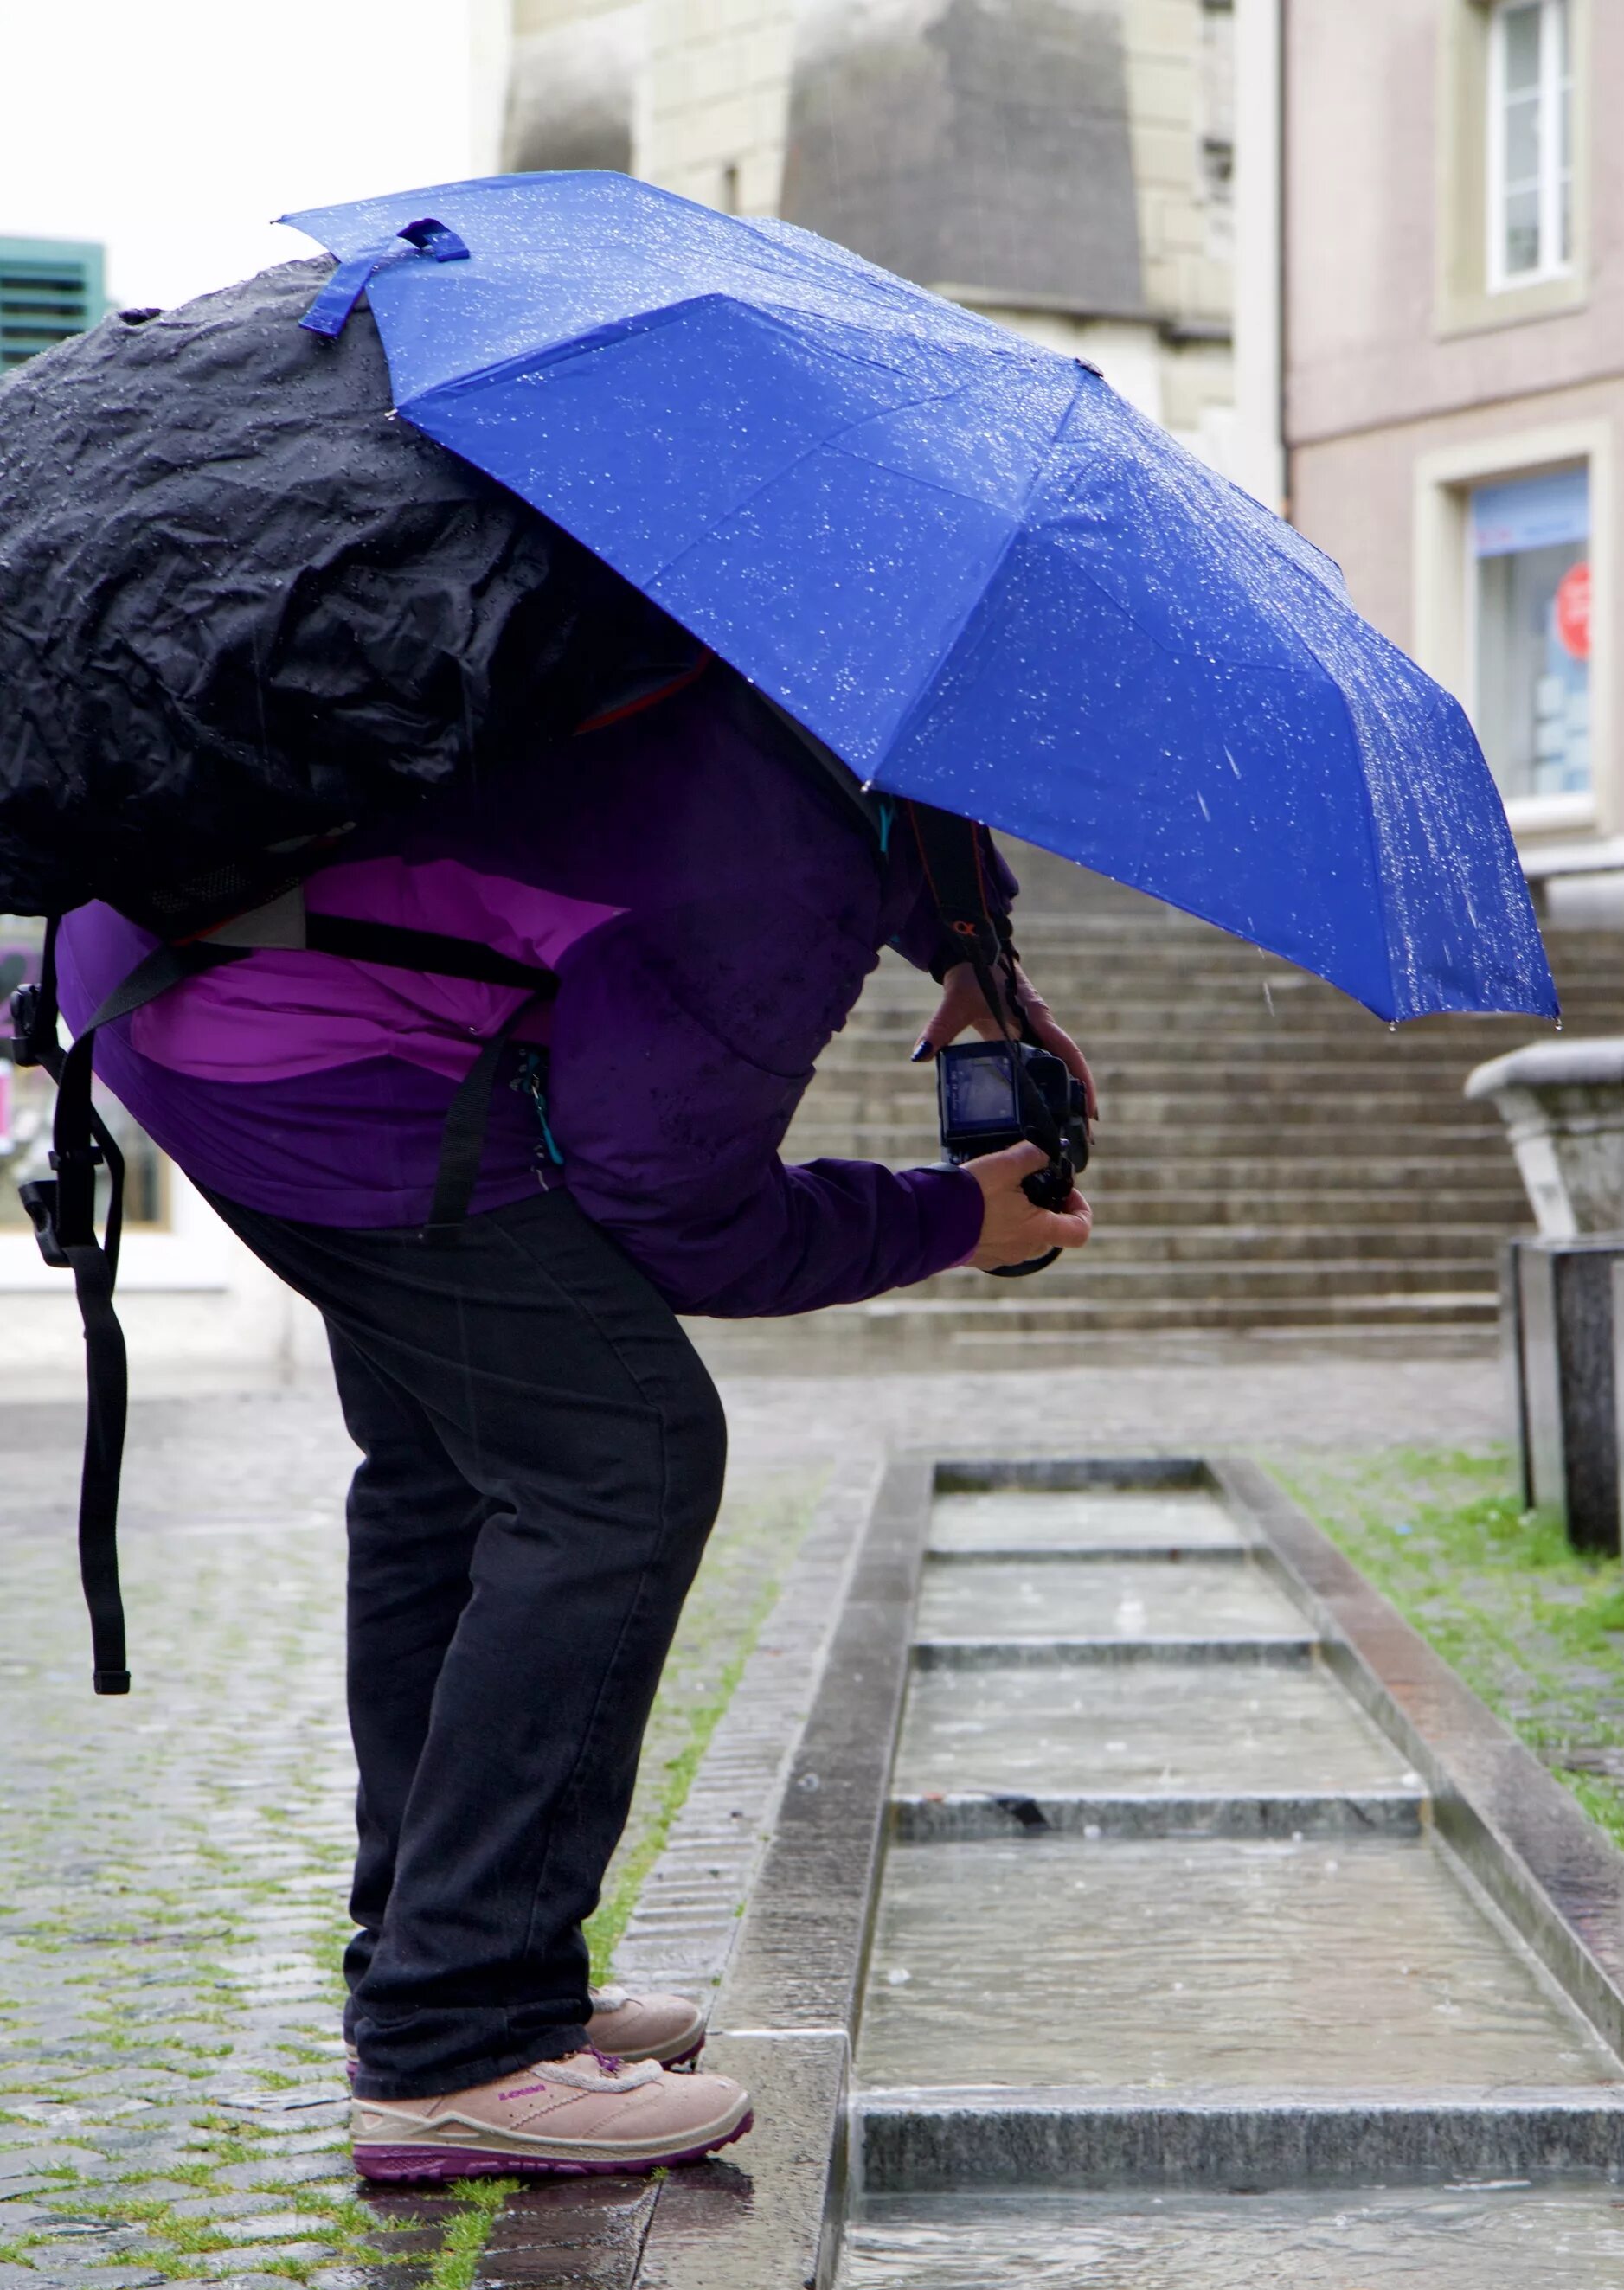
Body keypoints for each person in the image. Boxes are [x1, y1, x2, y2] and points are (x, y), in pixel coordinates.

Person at [56, 644, 1094, 2182]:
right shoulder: (755, 879)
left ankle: (440, 1964)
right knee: (626, 1454)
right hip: (318, 1067)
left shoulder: (745, 674)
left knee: (450, 1474)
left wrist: (974, 955)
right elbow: (677, 1212)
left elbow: (882, 822)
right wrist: (954, 1220)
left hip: (163, 970)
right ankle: (458, 2043)